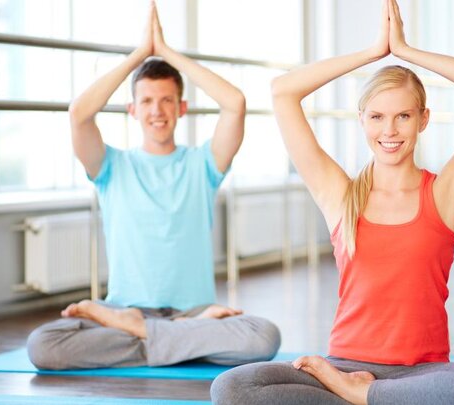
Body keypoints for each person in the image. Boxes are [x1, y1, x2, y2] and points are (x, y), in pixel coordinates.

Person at [211, 0, 454, 404]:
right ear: (362, 119)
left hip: (423, 374)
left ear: (423, 119)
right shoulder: (341, 194)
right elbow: (283, 92)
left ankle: (366, 396)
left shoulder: (445, 193)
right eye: (377, 116)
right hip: (342, 366)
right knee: (232, 386)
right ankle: (367, 395)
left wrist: (406, 51)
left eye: (403, 116)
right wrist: (372, 52)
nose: (390, 130)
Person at [26, 0, 280, 370]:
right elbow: (79, 113)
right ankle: (173, 337)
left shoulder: (203, 164)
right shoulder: (111, 166)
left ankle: (146, 333)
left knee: (264, 336)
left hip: (194, 311)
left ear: (182, 107)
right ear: (132, 110)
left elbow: (235, 103)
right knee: (43, 345)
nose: (157, 111)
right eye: (146, 101)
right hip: (125, 309)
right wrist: (138, 56)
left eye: (166, 101)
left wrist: (169, 53)